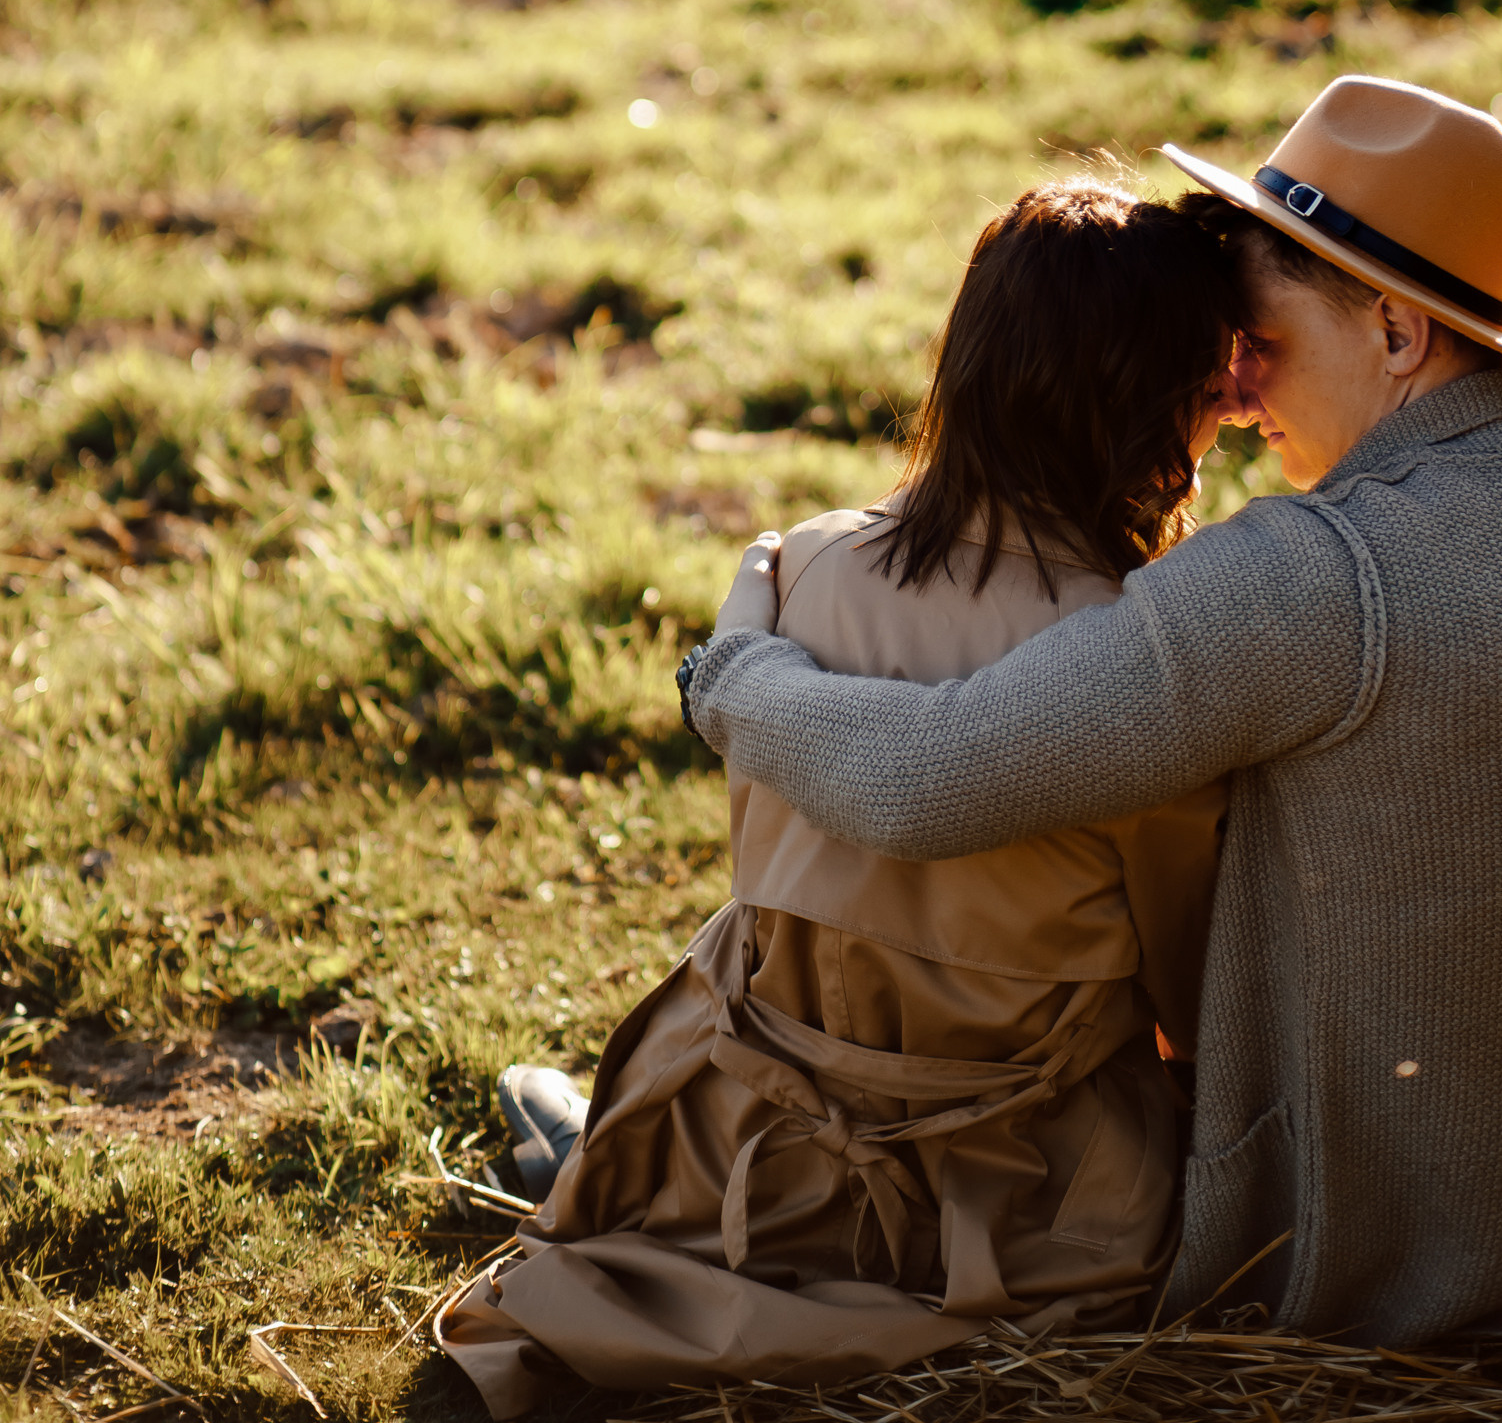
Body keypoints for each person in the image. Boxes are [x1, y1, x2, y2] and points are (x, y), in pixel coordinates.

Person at [690, 75, 1502, 1347]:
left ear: (1396, 333)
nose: (1232, 384)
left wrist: (733, 675)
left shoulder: (1305, 579)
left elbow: (923, 779)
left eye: (1259, 338)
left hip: (1394, 1284)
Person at [437, 179, 1248, 1414]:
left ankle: (606, 1161)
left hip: (745, 1154)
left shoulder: (797, 567)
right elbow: (1192, 986)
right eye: (1209, 383)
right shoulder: (1132, 659)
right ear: (1153, 399)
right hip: (1028, 1203)